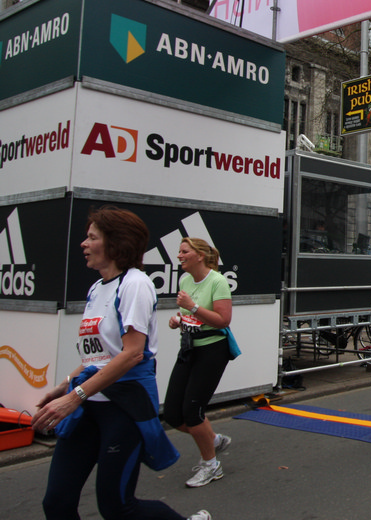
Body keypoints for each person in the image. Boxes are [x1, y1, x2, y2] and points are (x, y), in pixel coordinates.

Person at [33, 206, 210, 520]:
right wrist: (64, 386)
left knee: (117, 508)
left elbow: (132, 354)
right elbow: (99, 356)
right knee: (56, 503)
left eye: (92, 237)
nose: (84, 244)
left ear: (115, 243)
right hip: (89, 405)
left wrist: (74, 397)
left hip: (123, 407)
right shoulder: (96, 288)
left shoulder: (135, 284)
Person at [164, 237, 237, 488]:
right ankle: (213, 439)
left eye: (184, 251)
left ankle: (211, 465)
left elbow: (222, 320)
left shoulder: (217, 281)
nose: (179, 256)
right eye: (179, 251)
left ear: (199, 255)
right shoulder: (185, 280)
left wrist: (192, 307)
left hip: (212, 350)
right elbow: (190, 317)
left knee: (193, 412)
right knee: (172, 414)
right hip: (189, 348)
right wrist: (178, 320)